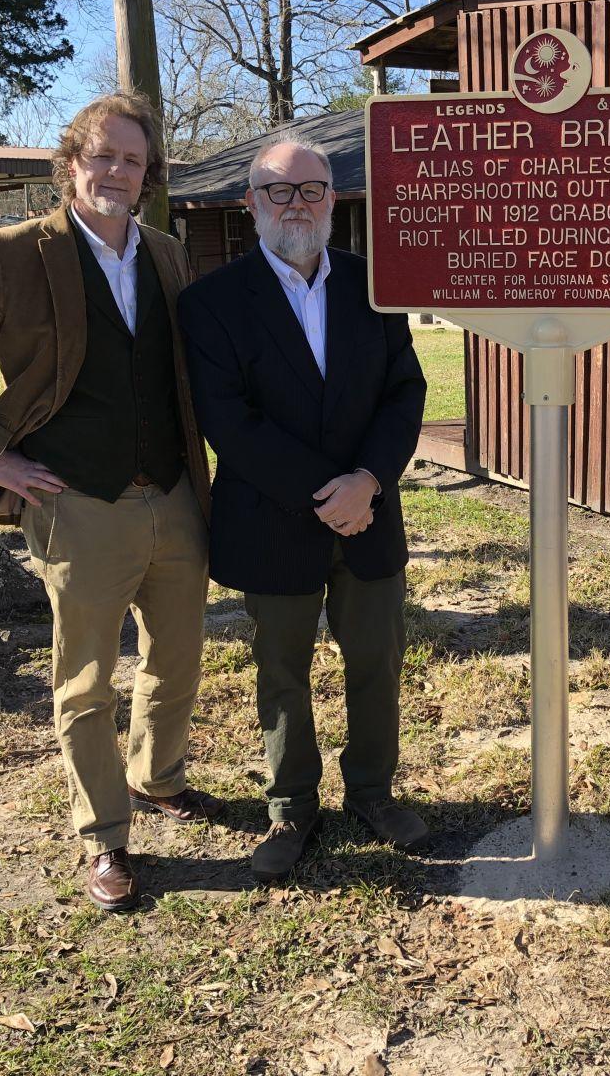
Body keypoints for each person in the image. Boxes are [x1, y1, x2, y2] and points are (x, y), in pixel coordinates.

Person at [0, 92, 224, 913]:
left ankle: (157, 776)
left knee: (177, 658)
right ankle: (105, 835)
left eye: (133, 159)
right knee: (85, 682)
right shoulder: (12, 253)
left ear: (150, 175)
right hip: (75, 500)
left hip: (175, 493)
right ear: (71, 163)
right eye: (103, 155)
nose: (117, 171)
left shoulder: (167, 254)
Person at [178, 134, 427, 882]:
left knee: (377, 662)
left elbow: (405, 391)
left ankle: (374, 792)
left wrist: (370, 481)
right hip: (272, 517)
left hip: (370, 513)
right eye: (279, 191)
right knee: (281, 669)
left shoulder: (373, 284)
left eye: (313, 189)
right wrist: (331, 492)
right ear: (250, 201)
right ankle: (290, 804)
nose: (298, 204)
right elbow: (230, 422)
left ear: (334, 198)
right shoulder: (211, 302)